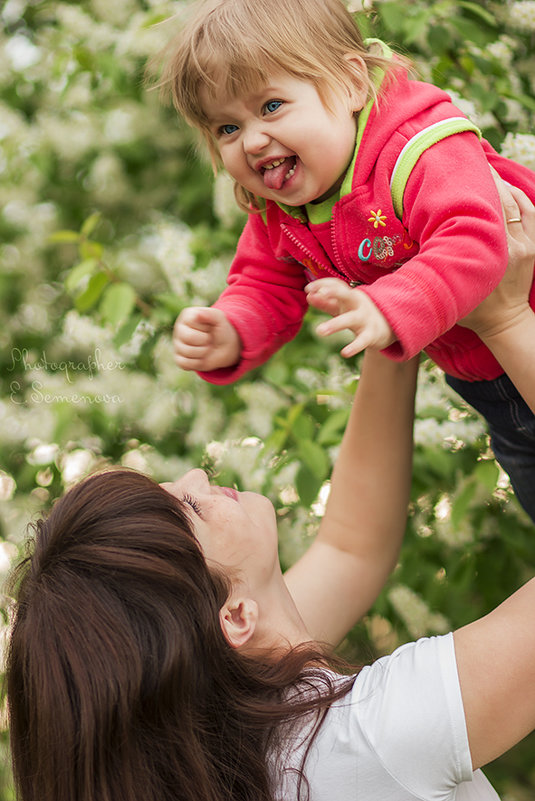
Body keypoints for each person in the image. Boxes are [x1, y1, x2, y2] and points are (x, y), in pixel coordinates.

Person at [6, 199, 535, 801]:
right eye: (192, 509)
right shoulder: (372, 738)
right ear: (233, 617)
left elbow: (352, 547)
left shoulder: (240, 727)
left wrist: (395, 316)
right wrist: (507, 321)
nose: (197, 476)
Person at [163, 0, 535, 523]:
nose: (252, 140)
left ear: (351, 83)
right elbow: (265, 281)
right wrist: (232, 329)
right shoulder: (282, 207)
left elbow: (472, 238)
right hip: (492, 394)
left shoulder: (419, 150)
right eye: (226, 129)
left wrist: (389, 307)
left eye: (271, 106)